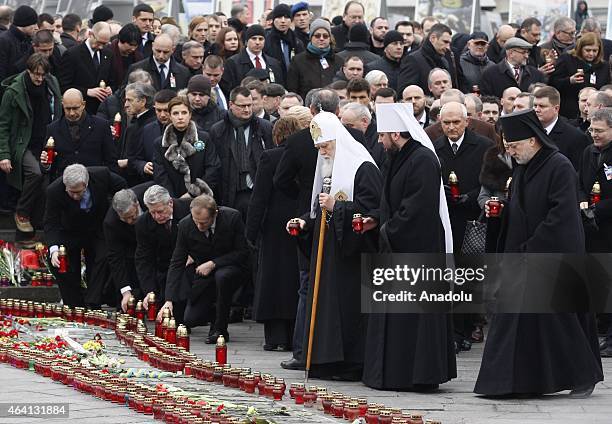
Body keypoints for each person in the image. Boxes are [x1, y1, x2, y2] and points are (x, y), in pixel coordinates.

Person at [474, 109, 603, 398]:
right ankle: (514, 381)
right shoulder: (523, 166)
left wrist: (532, 248)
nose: (512, 152)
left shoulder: (559, 166)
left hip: (550, 256)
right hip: (522, 255)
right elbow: (521, 207)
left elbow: (561, 217)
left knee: (560, 322)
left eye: (515, 146)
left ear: (533, 140)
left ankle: (581, 376)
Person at [360, 102, 455, 390]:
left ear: (396, 134)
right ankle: (392, 372)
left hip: (418, 248)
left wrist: (389, 229)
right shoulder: (397, 157)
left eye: (382, 135)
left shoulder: (423, 159)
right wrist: (377, 220)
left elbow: (417, 207)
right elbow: (390, 201)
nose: (379, 140)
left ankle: (417, 375)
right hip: (398, 246)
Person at [289, 110, 381, 380]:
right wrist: (306, 222)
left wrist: (337, 206)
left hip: (351, 256)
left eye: (326, 146)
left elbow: (371, 210)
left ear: (338, 141)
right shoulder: (327, 168)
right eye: (319, 148)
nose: (323, 152)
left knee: (348, 308)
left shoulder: (362, 166)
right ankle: (325, 360)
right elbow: (321, 211)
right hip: (328, 252)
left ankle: (350, 363)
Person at [246, 117, 300, 351]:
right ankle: (292, 335)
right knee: (293, 279)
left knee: (273, 279)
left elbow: (259, 197)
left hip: (274, 226)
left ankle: (274, 337)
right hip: (298, 224)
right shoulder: (307, 156)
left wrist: (251, 231)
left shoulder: (270, 157)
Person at [164, 194, 249, 342]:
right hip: (204, 275)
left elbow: (243, 252)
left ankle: (220, 329)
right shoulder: (185, 225)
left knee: (222, 277)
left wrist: (214, 263)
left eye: (203, 223)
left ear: (215, 214)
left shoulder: (232, 218)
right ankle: (215, 313)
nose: (199, 227)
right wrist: (169, 299)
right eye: (196, 222)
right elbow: (177, 262)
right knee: (190, 319)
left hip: (230, 268)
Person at [44, 164, 126, 307]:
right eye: (71, 192)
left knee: (103, 257)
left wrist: (114, 212)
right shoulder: (54, 190)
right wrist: (54, 249)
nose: (75, 196)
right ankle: (74, 304)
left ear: (86, 184)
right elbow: (51, 222)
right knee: (61, 262)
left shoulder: (102, 175)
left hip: (98, 226)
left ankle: (93, 301)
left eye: (79, 192)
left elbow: (123, 189)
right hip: (70, 230)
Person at [0, 53, 62, 233]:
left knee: (45, 184)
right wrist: (4, 154)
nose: (39, 78)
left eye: (43, 75)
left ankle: (39, 225)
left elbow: (57, 111)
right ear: (28, 71)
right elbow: (3, 124)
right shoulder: (14, 92)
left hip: (46, 141)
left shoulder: (51, 84)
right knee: (35, 173)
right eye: (36, 74)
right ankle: (22, 213)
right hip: (22, 143)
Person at [578, 108, 612, 356]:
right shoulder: (589, 152)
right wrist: (582, 205)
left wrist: (597, 210)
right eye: (592, 130)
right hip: (592, 230)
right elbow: (581, 183)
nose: (594, 135)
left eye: (599, 131)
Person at [208, 86, 272, 217]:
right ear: (231, 104)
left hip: (257, 191)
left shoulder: (265, 127)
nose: (247, 109)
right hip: (229, 192)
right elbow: (215, 163)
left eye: (249, 105)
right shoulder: (218, 130)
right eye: (242, 106)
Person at [136, 185, 191, 320]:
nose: (156, 216)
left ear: (170, 203)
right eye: (152, 212)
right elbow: (144, 259)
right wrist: (149, 291)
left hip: (189, 264)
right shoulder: (143, 223)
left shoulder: (188, 209)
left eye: (160, 211)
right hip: (164, 268)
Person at [42, 88, 116, 182]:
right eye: (68, 109)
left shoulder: (101, 126)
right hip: (65, 186)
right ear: (62, 104)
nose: (71, 113)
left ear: (83, 105)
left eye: (75, 108)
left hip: (94, 184)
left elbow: (111, 161)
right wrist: (46, 165)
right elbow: (48, 165)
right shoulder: (53, 129)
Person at [154, 96, 221, 199]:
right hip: (173, 199)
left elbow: (213, 168)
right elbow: (160, 175)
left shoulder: (204, 138)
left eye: (184, 113)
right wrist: (173, 199)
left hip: (201, 198)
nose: (180, 117)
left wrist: (193, 192)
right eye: (176, 113)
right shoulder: (160, 144)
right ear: (170, 116)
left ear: (190, 115)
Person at [104, 184, 152, 312]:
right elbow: (115, 258)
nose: (130, 221)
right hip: (132, 246)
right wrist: (125, 291)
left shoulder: (150, 194)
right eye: (125, 219)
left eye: (132, 216)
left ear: (136, 205)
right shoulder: (111, 222)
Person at [549, 32, 610, 120]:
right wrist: (569, 80)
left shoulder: (604, 66)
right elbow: (553, 82)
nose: (591, 54)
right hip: (570, 111)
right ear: (580, 48)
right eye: (588, 50)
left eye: (595, 51)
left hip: (596, 112)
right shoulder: (567, 59)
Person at [58, 22, 113, 115]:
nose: (101, 47)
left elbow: (112, 80)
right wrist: (87, 91)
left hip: (101, 112)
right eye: (99, 42)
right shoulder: (72, 54)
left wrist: (110, 88)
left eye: (105, 44)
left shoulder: (108, 53)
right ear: (91, 34)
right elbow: (63, 86)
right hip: (79, 111)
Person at [533, 86, 590, 170]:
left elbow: (578, 173)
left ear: (556, 108)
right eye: (535, 105)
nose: (537, 110)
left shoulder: (575, 137)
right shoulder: (529, 132)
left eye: (542, 106)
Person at [284, 19, 341, 100]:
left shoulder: (338, 61)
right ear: (311, 37)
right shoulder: (298, 61)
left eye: (325, 36)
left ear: (329, 38)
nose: (321, 39)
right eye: (317, 36)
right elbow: (292, 89)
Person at [398, 23, 461, 96]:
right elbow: (404, 93)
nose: (448, 47)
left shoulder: (445, 60)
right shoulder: (413, 60)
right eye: (445, 42)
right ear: (433, 38)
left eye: (449, 43)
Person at [480, 37, 546, 99]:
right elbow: (487, 100)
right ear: (511, 53)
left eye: (527, 52)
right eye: (523, 52)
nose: (526, 56)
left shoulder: (536, 74)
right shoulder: (490, 74)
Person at [123, 82, 157, 185]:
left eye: (130, 100)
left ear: (142, 102)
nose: (126, 105)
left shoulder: (150, 125)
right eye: (125, 100)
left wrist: (128, 162)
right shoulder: (136, 122)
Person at [264, 4, 304, 82]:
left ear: (291, 20)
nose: (283, 21)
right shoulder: (266, 41)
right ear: (273, 19)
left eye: (286, 17)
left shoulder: (297, 42)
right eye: (279, 17)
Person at [0, 5, 38, 81]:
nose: (36, 27)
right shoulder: (3, 40)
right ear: (25, 23)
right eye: (34, 24)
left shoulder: (29, 40)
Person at [105, 23, 143, 92]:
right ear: (121, 40)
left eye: (136, 45)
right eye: (131, 44)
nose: (133, 48)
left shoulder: (138, 57)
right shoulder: (107, 54)